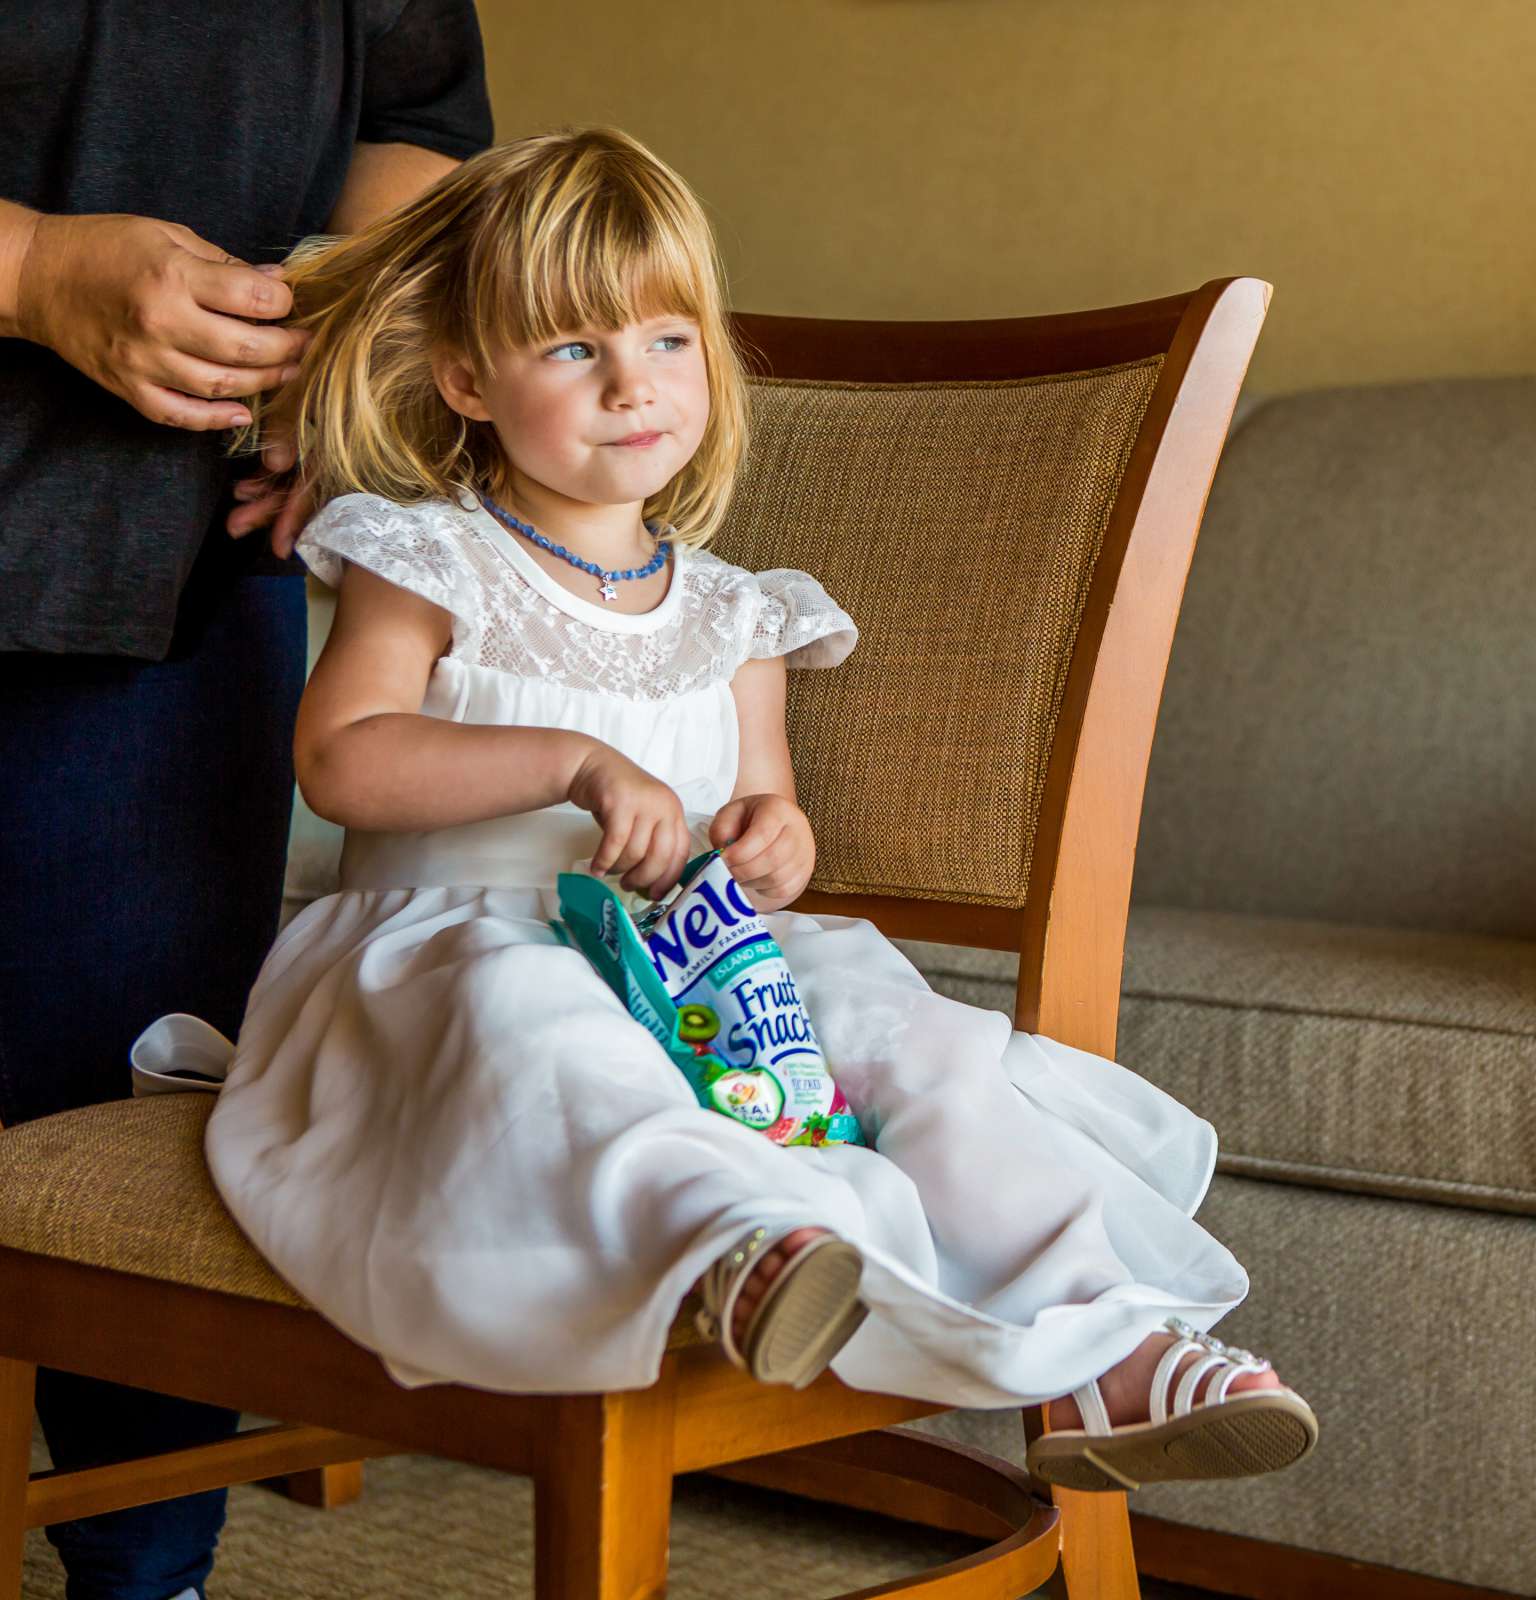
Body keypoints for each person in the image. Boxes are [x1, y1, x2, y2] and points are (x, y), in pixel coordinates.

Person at [162, 124, 1319, 1495]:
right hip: (451, 946)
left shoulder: (739, 614)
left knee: (915, 1036)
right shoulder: (430, 553)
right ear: (466, 378)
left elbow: (772, 815)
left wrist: (770, 845)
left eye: (666, 341)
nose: (632, 387)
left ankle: (1110, 1347)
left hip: (692, 960)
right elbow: (342, 761)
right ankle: (732, 1244)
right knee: (541, 1029)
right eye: (574, 350)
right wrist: (569, 764)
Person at [0, 7, 490, 1597]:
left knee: (132, 1100)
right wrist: (24, 270)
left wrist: (354, 359)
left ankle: (148, 1578)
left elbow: (417, 123)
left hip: (174, 556)